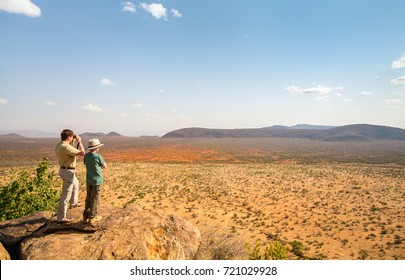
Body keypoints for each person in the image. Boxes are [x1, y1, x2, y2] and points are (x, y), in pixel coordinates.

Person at [55, 129, 85, 223]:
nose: (73, 138)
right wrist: (79, 142)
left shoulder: (59, 145)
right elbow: (82, 153)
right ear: (69, 137)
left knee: (76, 183)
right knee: (66, 195)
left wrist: (73, 141)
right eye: (72, 137)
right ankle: (61, 218)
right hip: (68, 172)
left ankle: (74, 202)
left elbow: (69, 150)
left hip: (64, 170)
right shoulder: (66, 147)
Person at [83, 138, 107, 224]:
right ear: (97, 148)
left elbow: (86, 163)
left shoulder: (86, 156)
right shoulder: (98, 156)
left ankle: (85, 216)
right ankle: (93, 217)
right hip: (97, 180)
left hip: (89, 179)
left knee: (88, 198)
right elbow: (104, 166)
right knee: (95, 198)